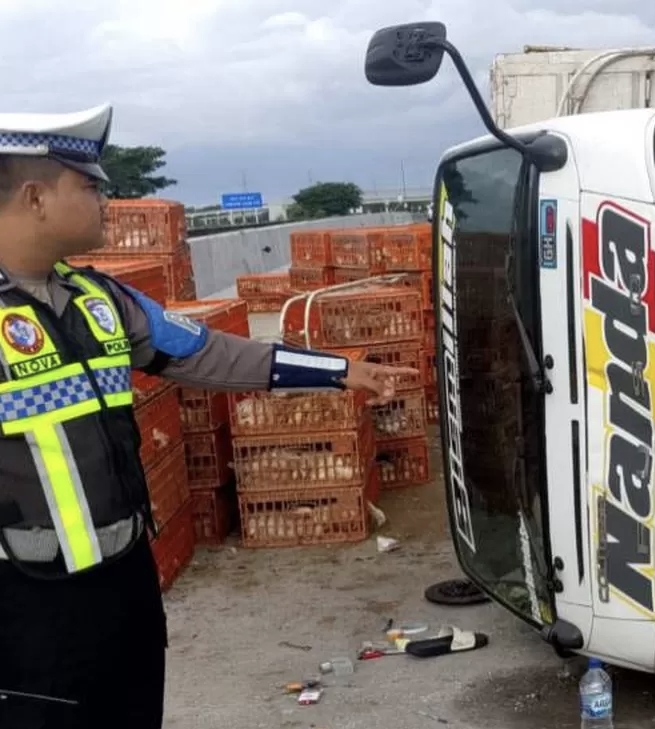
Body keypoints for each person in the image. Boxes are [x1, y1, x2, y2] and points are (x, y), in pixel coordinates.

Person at [0, 103, 420, 729]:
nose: (105, 202)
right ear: (35, 197)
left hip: (124, 585)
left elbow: (208, 354)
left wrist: (339, 371)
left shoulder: (99, 300)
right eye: (89, 186)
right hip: (25, 605)